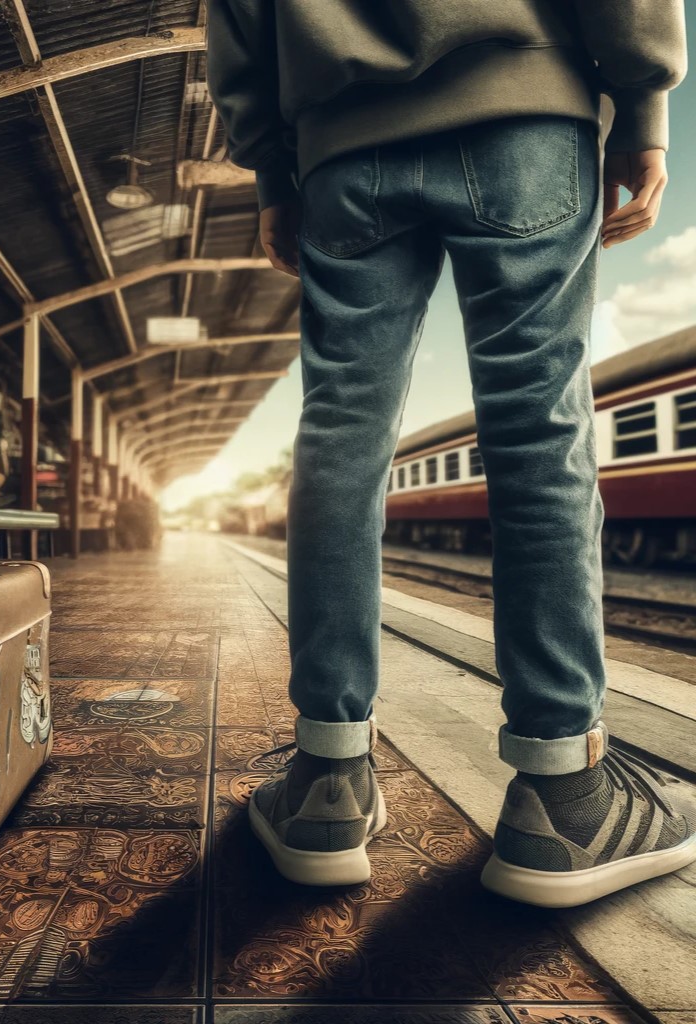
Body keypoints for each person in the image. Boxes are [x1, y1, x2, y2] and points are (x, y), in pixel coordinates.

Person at [207, 0, 693, 908]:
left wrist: (276, 169)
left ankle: (327, 778)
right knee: (540, 429)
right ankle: (563, 793)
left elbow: (237, 15)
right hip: (527, 114)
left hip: (340, 146)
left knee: (339, 437)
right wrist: (642, 101)